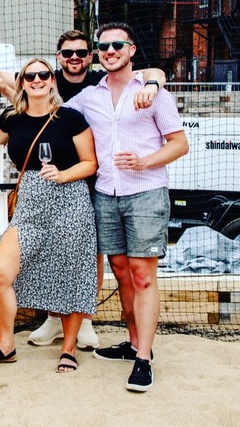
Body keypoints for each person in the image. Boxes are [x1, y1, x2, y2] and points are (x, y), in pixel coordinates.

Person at [0, 29, 165, 350]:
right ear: (59, 58)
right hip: (50, 186)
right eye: (68, 53)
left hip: (91, 183)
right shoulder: (43, 83)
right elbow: (6, 80)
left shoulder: (98, 80)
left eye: (81, 52)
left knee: (88, 256)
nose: (74, 58)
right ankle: (54, 319)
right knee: (51, 255)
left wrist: (152, 86)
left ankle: (85, 322)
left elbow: (154, 73)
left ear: (90, 56)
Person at [63, 22, 188, 392]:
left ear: (131, 50)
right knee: (120, 271)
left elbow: (179, 144)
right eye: (104, 46)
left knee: (143, 275)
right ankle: (133, 343)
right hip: (106, 194)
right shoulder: (90, 96)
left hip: (146, 192)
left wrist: (144, 162)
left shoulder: (153, 93)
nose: (110, 51)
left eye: (118, 45)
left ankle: (144, 358)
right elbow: (48, 109)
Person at [0, 59, 98, 374]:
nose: (37, 79)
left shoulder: (71, 118)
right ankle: (6, 346)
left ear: (52, 81)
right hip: (29, 204)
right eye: (30, 75)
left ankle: (68, 348)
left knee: (70, 275)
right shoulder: (12, 117)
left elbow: (90, 163)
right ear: (22, 82)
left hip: (70, 201)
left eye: (43, 74)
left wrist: (63, 174)